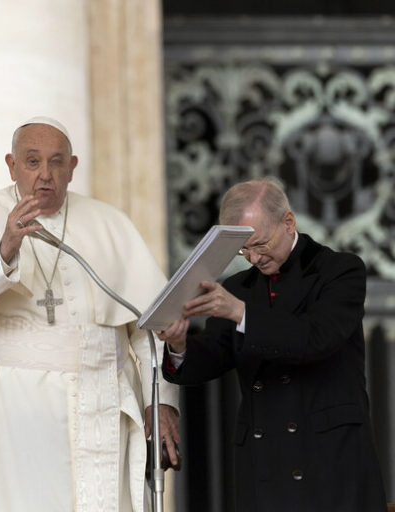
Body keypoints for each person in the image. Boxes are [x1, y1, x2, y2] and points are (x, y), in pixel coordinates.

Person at [0, 116, 180, 512]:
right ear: (11, 165)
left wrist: (159, 401)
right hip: (10, 411)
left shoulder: (109, 223)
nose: (45, 174)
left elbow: (149, 327)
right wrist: (4, 249)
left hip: (103, 403)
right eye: (32, 162)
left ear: (72, 167)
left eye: (57, 162)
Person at [159, 177, 387, 511]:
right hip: (264, 465)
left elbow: (316, 339)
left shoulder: (340, 270)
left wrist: (240, 312)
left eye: (260, 244)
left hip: (330, 462)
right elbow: (211, 357)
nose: (252, 257)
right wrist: (179, 346)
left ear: (288, 222)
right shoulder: (239, 286)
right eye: (242, 249)